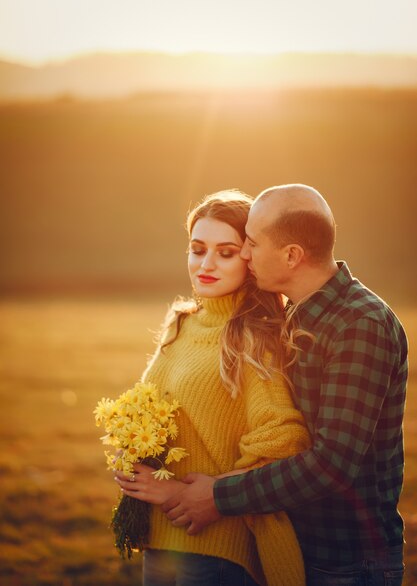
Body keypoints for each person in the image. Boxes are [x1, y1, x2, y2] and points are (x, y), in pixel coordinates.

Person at [161, 184, 408, 586]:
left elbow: (332, 465)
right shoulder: (296, 311)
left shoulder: (359, 325)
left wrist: (219, 497)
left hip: (346, 561)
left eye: (252, 244)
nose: (244, 254)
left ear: (292, 255)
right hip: (292, 546)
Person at [115, 189, 312, 586]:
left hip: (215, 549)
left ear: (250, 258)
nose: (205, 264)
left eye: (225, 252)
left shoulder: (253, 338)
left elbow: (282, 441)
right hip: (159, 538)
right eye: (197, 249)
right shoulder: (182, 323)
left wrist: (181, 494)